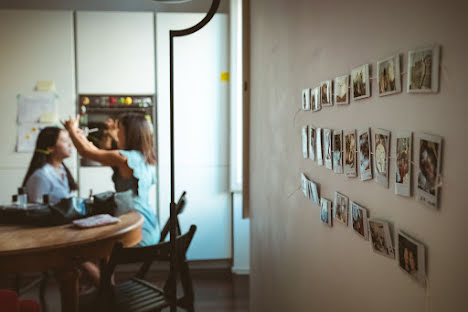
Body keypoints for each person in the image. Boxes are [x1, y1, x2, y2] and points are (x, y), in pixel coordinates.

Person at [63, 113, 159, 246]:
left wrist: (72, 130)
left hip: (137, 230)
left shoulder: (125, 158)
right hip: (150, 225)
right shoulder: (144, 157)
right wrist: (80, 136)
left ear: (129, 133)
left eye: (120, 130)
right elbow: (97, 150)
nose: (117, 133)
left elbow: (87, 152)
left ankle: (101, 268)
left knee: (87, 247)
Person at [22, 127, 77, 204]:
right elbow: (37, 210)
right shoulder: (41, 175)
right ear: (50, 148)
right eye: (64, 141)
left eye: (69, 140)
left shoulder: (62, 169)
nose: (70, 144)